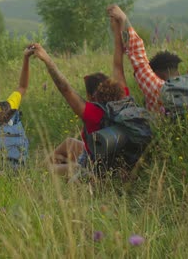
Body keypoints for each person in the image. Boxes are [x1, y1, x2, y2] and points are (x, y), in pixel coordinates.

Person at [31, 19, 130, 176]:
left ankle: (32, 176)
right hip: (121, 161)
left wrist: (47, 60)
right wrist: (117, 31)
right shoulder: (124, 98)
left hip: (97, 169)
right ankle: (45, 168)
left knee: (49, 170)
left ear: (91, 96)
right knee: (70, 143)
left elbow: (65, 88)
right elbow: (118, 66)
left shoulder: (93, 113)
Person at [107, 0, 188, 113]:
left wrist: (122, 19)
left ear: (157, 76)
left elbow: (139, 58)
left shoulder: (157, 89)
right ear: (179, 73)